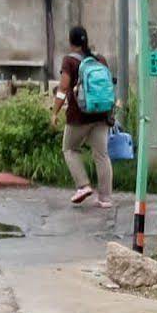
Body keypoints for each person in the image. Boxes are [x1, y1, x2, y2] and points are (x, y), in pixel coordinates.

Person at [54, 24, 115, 208]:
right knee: (102, 155)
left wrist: (55, 112)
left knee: (69, 149)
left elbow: (63, 88)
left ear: (71, 41)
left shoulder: (69, 61)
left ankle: (83, 185)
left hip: (79, 116)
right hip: (102, 113)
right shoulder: (100, 59)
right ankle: (105, 198)